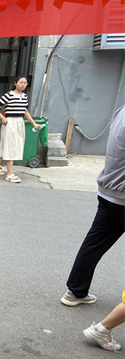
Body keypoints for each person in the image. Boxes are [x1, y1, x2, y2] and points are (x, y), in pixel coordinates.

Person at [61, 105, 125, 306]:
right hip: (122, 193)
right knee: (94, 243)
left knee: (94, 243)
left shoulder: (122, 110)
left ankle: (75, 291)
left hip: (109, 190)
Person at [0, 76, 41, 183]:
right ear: (15, 83)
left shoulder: (25, 96)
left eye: (25, 83)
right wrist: (3, 118)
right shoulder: (9, 95)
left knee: (15, 146)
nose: (23, 84)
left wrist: (34, 124)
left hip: (19, 122)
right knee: (11, 147)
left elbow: (25, 112)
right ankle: (10, 174)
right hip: (10, 123)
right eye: (20, 82)